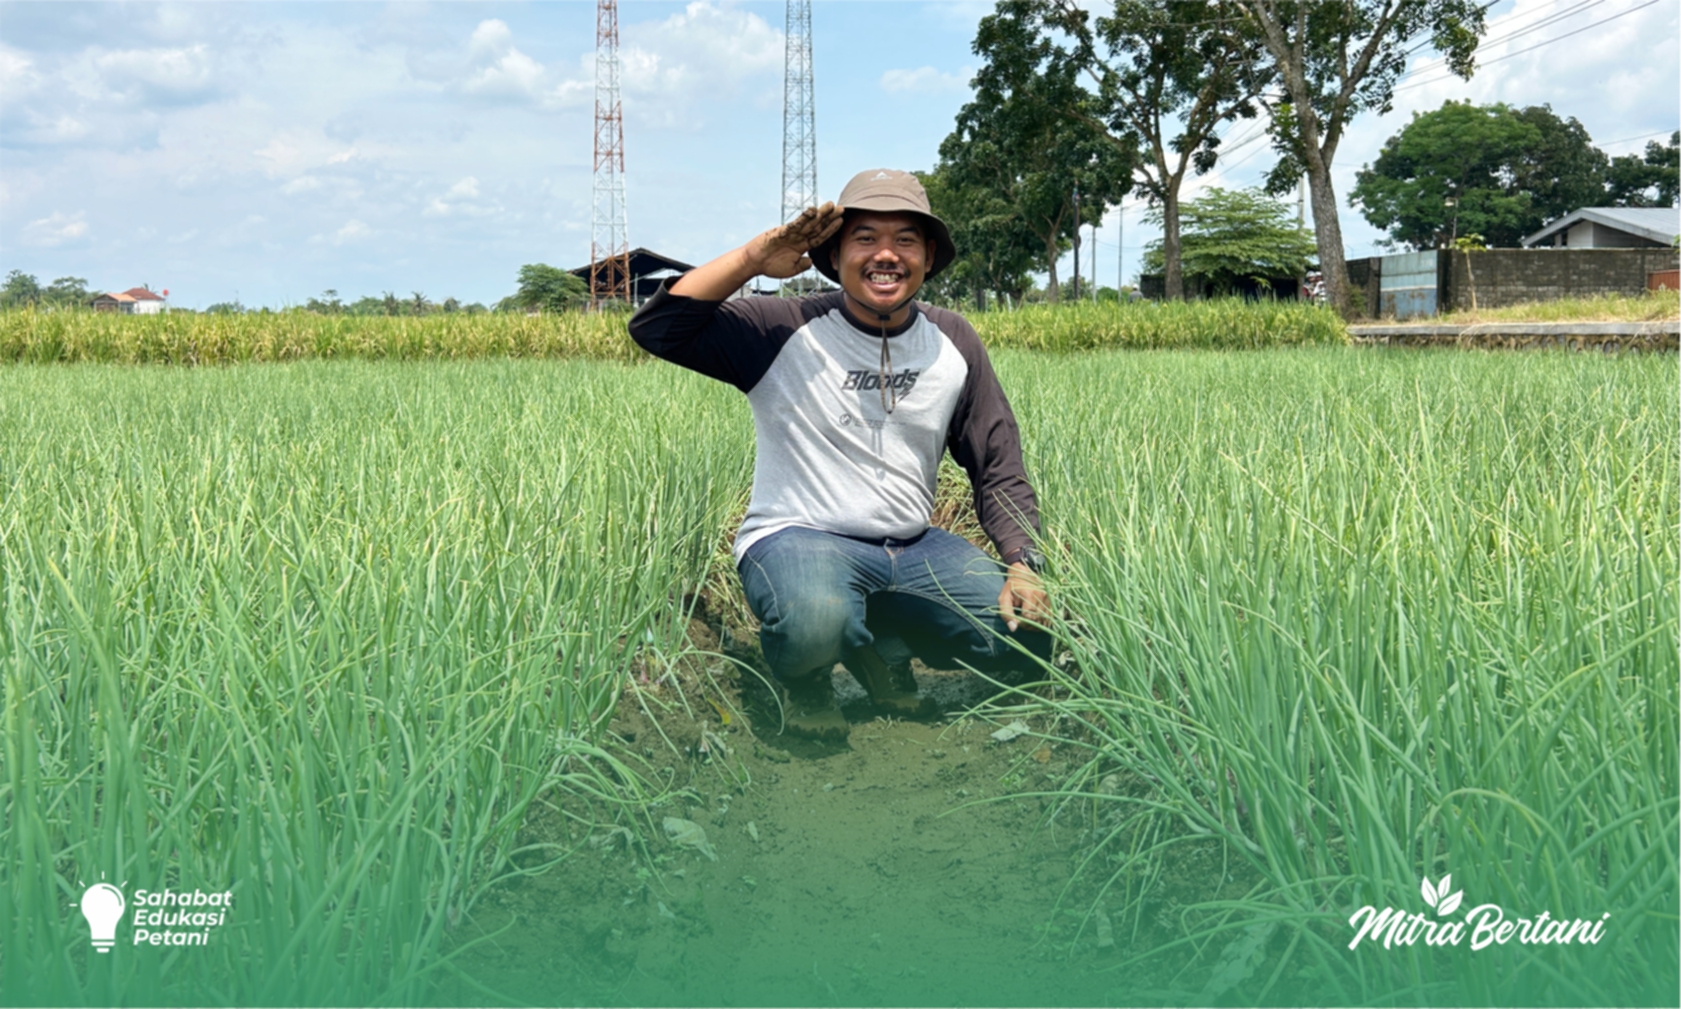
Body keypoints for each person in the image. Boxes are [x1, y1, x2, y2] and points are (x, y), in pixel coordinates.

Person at [628, 168, 1050, 742]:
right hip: (799, 535)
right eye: (865, 238)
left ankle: (883, 647)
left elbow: (996, 463)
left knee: (1031, 639)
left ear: (928, 255)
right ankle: (809, 677)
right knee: (816, 616)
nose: (886, 256)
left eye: (905, 240)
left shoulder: (953, 340)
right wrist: (754, 258)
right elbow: (659, 329)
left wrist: (1023, 563)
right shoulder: (781, 326)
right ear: (833, 253)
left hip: (912, 544)